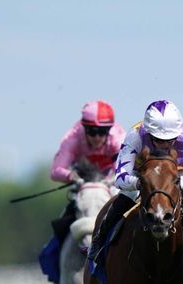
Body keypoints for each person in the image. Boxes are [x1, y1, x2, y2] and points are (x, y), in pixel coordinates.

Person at [87, 99, 183, 265]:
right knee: (125, 197)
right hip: (143, 177)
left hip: (175, 177)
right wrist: (141, 183)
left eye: (170, 139)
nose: (165, 145)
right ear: (150, 133)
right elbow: (120, 178)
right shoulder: (136, 136)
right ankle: (99, 241)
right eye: (158, 140)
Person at [48, 100, 125, 244]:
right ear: (84, 128)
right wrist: (72, 176)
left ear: (109, 129)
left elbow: (124, 169)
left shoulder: (118, 138)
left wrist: (112, 181)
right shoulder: (72, 138)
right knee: (61, 228)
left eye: (102, 132)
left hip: (111, 184)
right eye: (92, 131)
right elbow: (55, 171)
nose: (97, 137)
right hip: (83, 185)